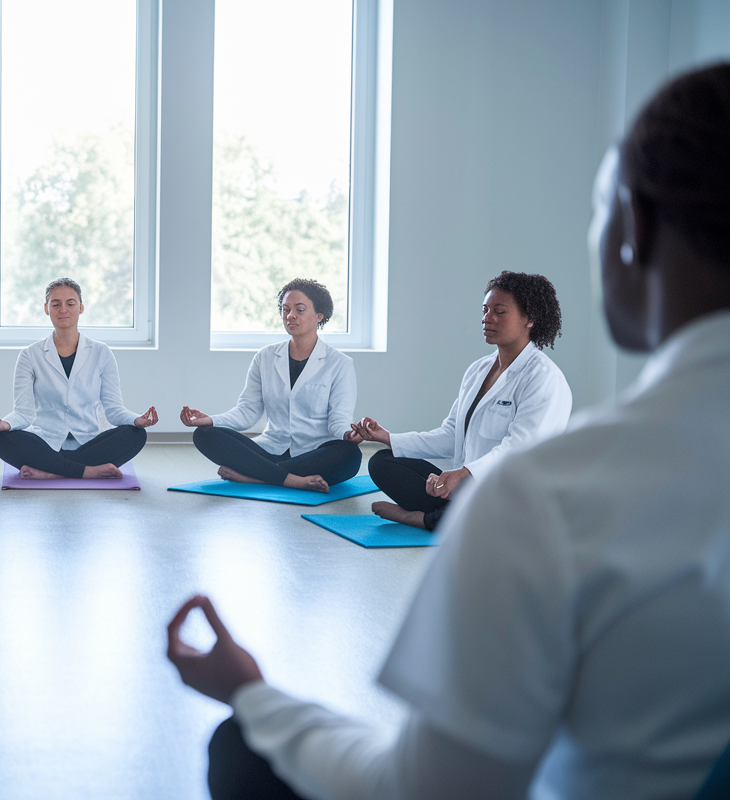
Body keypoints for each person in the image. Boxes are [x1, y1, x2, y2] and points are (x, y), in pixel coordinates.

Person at [166, 62, 730, 800]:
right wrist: (390, 441)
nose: (489, 317)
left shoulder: (544, 496)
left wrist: (255, 694)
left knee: (243, 749)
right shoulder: (475, 381)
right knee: (378, 467)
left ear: (634, 231)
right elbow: (437, 433)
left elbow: (423, 790)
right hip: (404, 471)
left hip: (449, 489)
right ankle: (407, 496)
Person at [348, 271, 573, 530]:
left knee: (501, 515)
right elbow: (451, 434)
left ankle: (426, 519)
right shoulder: (478, 370)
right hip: (467, 490)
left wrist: (465, 473)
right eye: (485, 309)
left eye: (499, 312)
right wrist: (388, 437)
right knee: (381, 462)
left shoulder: (544, 378)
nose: (487, 318)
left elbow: (519, 452)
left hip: (514, 496)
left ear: (530, 319)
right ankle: (454, 517)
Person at [180, 279, 361, 491]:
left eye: (299, 310)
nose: (290, 316)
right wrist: (209, 420)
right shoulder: (265, 357)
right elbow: (247, 411)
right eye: (285, 310)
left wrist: (348, 434)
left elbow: (338, 420)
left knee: (349, 454)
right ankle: (292, 480)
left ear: (319, 316)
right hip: (270, 448)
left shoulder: (340, 363)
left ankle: (257, 477)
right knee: (204, 434)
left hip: (316, 452)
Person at [0, 277, 158, 479]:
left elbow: (114, 410)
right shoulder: (29, 355)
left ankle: (52, 472)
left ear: (81, 308)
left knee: (136, 435)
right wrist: (3, 425)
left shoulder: (101, 352)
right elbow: (24, 413)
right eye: (56, 304)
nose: (63, 309)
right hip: (46, 443)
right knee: (1, 439)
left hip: (88, 443)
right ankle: (86, 471)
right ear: (47, 309)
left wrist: (137, 420)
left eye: (70, 303)